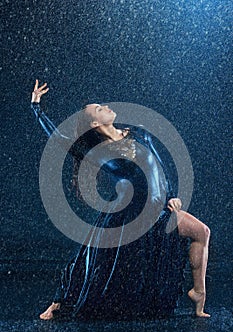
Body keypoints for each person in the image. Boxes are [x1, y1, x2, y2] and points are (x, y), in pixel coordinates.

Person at [31, 80, 210, 319]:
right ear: (95, 123)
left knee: (202, 232)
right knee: (93, 259)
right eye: (99, 108)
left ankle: (199, 292)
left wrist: (172, 195)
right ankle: (60, 303)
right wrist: (36, 107)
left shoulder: (139, 132)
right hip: (131, 215)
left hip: (159, 210)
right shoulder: (96, 151)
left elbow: (159, 166)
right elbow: (58, 137)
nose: (106, 106)